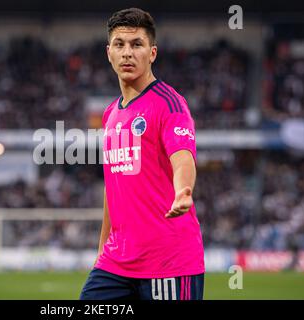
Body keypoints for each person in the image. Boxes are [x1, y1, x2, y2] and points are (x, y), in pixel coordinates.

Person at [80, 8, 205, 300]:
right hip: (116, 263)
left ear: (152, 53)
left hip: (168, 261)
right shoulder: (110, 114)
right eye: (120, 45)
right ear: (108, 52)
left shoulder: (169, 104)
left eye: (137, 44)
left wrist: (183, 190)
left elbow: (183, 155)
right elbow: (114, 188)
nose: (127, 53)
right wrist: (102, 250)